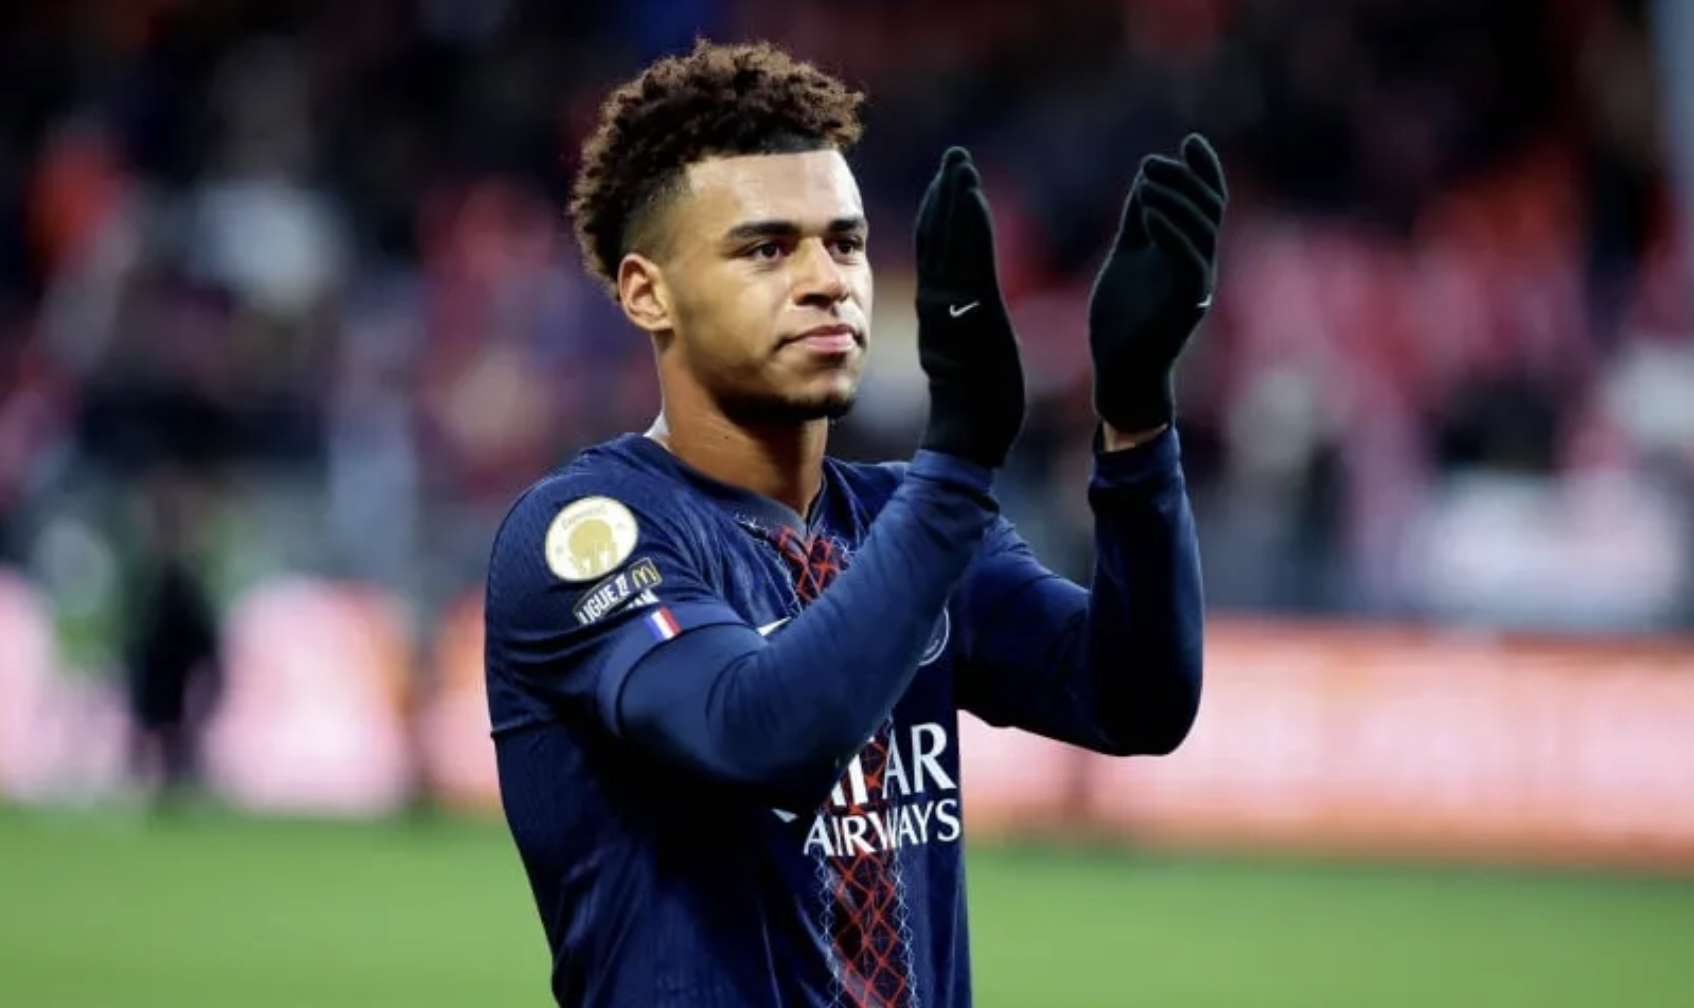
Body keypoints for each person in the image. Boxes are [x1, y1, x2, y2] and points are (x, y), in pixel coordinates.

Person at [484, 39, 1224, 1008]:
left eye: (844, 242)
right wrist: (957, 462)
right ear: (645, 291)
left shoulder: (902, 519)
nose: (825, 279)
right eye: (766, 248)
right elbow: (760, 733)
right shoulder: (589, 534)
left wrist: (1134, 421)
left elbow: (1136, 700)